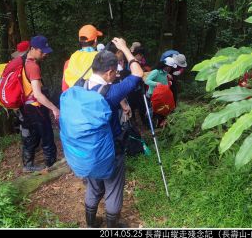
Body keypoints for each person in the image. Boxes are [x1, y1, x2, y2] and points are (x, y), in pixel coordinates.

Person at [81, 38, 143, 228]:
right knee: (113, 188)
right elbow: (138, 73)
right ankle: (113, 226)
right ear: (109, 72)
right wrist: (124, 48)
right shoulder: (110, 92)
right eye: (115, 72)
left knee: (93, 186)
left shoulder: (80, 86)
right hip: (110, 149)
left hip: (88, 149)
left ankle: (91, 223)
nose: (116, 75)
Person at [20, 35, 59, 172]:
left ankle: (28, 164)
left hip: (27, 106)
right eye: (41, 51)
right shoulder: (33, 66)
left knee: (33, 135)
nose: (44, 54)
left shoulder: (24, 62)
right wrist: (54, 108)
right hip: (36, 106)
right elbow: (37, 94)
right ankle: (52, 165)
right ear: (33, 49)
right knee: (47, 135)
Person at [62, 24, 103, 92]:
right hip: (94, 97)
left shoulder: (70, 60)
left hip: (76, 98)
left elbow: (64, 88)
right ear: (95, 40)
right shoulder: (100, 58)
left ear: (79, 40)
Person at [144, 57, 178, 128]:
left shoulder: (166, 73)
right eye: (170, 67)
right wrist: (156, 84)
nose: (171, 69)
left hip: (161, 95)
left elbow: (164, 83)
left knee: (161, 108)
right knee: (152, 109)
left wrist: (169, 82)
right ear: (166, 66)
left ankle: (160, 123)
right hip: (152, 94)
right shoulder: (156, 72)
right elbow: (146, 81)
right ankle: (149, 124)